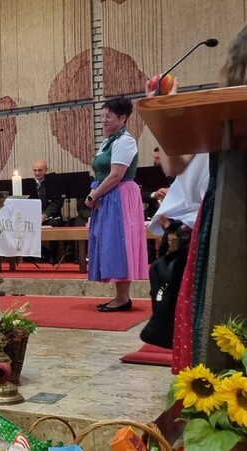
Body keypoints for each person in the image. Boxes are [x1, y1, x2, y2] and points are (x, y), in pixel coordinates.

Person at [168, 25, 247, 372]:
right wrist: (168, 106)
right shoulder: (219, 106)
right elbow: (175, 165)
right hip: (227, 212)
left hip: (225, 211)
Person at [85, 97, 149, 312]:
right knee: (109, 243)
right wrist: (94, 194)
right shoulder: (108, 141)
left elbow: (116, 175)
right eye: (102, 116)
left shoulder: (125, 141)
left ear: (122, 118)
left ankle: (123, 298)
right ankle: (120, 296)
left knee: (118, 243)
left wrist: (93, 196)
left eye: (108, 116)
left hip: (118, 195)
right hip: (107, 195)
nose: (103, 120)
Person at [31, 160, 63, 225]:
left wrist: (45, 215)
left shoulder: (54, 184)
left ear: (46, 170)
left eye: (40, 170)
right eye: (35, 170)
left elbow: (57, 203)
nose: (37, 173)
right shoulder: (29, 185)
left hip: (52, 218)